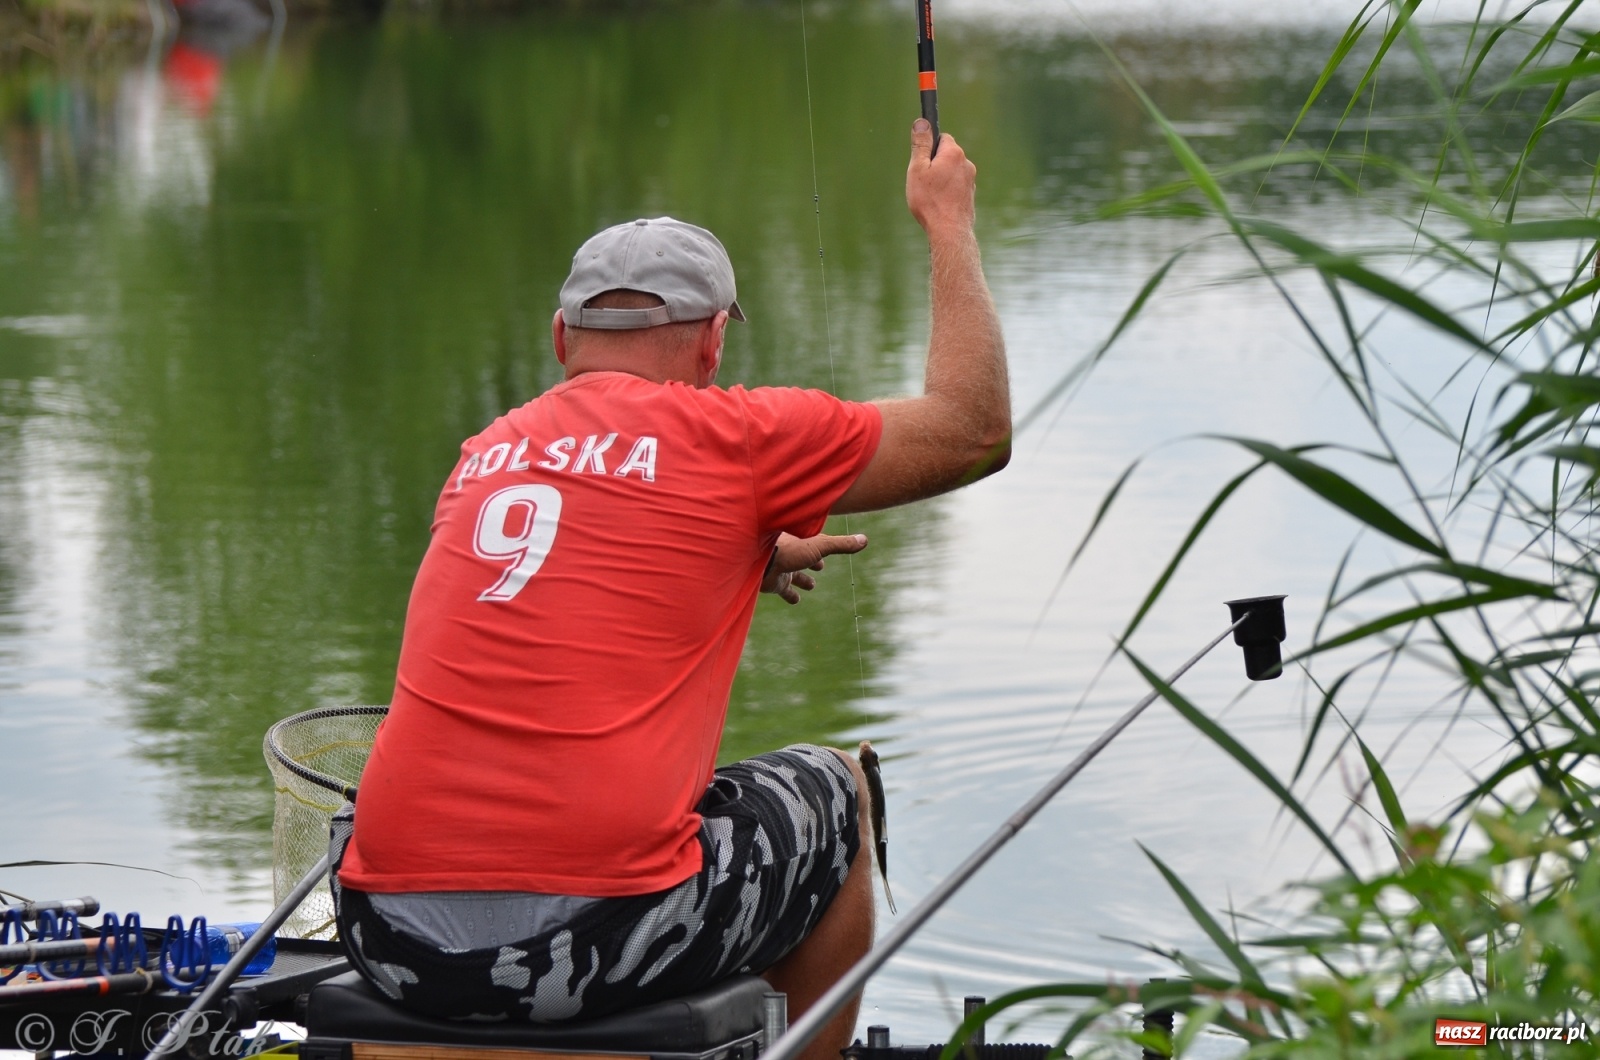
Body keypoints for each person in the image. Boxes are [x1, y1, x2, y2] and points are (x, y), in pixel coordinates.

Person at [329, 117, 1009, 1060]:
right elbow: (975, 430)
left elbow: (559, 576)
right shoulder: (738, 440)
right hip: (581, 942)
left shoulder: (483, 458)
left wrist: (746, 554)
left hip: (385, 934)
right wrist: (947, 221)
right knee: (836, 788)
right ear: (714, 343)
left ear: (562, 335)